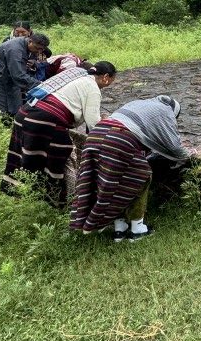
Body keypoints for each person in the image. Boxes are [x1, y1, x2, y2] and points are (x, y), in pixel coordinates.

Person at [69, 95, 188, 242]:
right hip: (119, 139)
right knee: (140, 178)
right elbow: (174, 146)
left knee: (110, 184)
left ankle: (120, 228)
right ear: (174, 111)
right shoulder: (167, 112)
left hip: (96, 135)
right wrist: (188, 155)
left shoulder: (140, 103)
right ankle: (138, 229)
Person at [1, 61, 117, 205]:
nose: (109, 84)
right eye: (111, 81)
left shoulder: (77, 77)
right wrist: (107, 125)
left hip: (26, 112)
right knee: (65, 156)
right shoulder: (92, 87)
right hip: (44, 120)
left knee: (26, 156)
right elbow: (93, 123)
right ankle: (64, 199)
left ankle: (24, 194)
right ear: (106, 76)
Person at [0, 33, 51, 118]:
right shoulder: (15, 50)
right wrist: (40, 85)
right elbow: (18, 75)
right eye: (38, 48)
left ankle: (11, 119)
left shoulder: (27, 44)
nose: (39, 51)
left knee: (14, 100)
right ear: (30, 42)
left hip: (7, 73)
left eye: (42, 49)